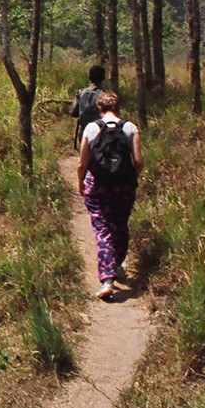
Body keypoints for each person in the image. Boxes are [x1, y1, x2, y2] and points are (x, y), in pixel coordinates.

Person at [76, 90, 140, 300]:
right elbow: (139, 162)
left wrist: (80, 182)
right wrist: (131, 178)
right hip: (124, 185)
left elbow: (82, 163)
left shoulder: (92, 128)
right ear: (118, 108)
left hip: (98, 185)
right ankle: (118, 263)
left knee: (102, 229)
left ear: (99, 108)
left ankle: (107, 279)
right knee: (120, 224)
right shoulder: (130, 127)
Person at [69, 64, 106, 150]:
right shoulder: (106, 95)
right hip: (101, 136)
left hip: (84, 135)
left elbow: (73, 113)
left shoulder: (80, 93)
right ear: (103, 78)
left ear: (89, 77)